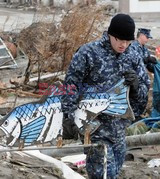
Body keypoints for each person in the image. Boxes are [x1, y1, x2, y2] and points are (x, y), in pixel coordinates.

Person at [61, 14, 150, 179]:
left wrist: (137, 86)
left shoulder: (133, 56)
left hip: (119, 129)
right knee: (103, 173)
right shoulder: (89, 53)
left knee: (113, 173)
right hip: (94, 127)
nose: (123, 45)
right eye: (120, 40)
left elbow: (144, 91)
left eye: (127, 41)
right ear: (110, 34)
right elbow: (71, 85)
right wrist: (69, 116)